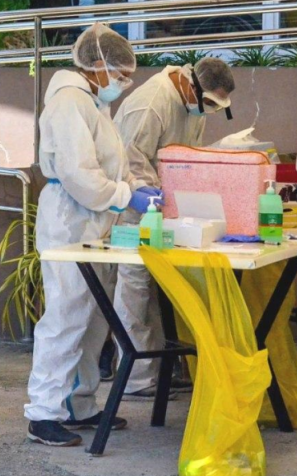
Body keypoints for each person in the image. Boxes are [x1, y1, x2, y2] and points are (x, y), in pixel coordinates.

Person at [25, 23, 163, 447]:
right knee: (66, 317)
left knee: (93, 318)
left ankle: (79, 404)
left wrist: (132, 189)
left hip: (91, 219)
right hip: (70, 217)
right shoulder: (68, 103)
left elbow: (106, 165)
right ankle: (44, 413)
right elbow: (79, 174)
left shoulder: (90, 103)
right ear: (97, 66)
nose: (124, 81)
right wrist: (126, 196)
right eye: (120, 73)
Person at [112, 58, 235, 400]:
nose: (208, 110)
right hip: (137, 205)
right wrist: (143, 194)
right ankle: (136, 376)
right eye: (208, 102)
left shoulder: (190, 106)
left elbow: (185, 157)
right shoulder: (151, 104)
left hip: (168, 208)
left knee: (159, 288)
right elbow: (127, 160)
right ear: (188, 83)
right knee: (134, 286)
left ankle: (160, 369)